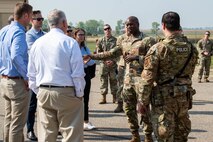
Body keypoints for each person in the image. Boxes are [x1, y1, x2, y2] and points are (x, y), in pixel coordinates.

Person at [85, 16, 154, 142]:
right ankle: (135, 135)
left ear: (137, 24)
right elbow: (111, 53)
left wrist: (137, 58)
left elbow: (154, 61)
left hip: (142, 81)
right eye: (127, 25)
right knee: (128, 109)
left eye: (131, 24)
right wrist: (93, 56)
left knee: (144, 109)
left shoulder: (148, 40)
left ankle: (148, 136)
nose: (128, 27)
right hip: (128, 82)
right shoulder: (124, 41)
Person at [137, 11, 198, 142]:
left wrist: (142, 102)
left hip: (163, 101)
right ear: (178, 25)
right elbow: (189, 74)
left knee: (164, 136)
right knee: (181, 136)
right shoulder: (192, 48)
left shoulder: (158, 48)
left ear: (163, 25)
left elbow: (147, 79)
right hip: (183, 98)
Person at [27, 9, 85, 142]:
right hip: (66, 92)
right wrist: (79, 94)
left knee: (46, 135)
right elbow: (77, 73)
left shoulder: (37, 43)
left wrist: (38, 91)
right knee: (71, 135)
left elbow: (31, 74)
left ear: (49, 24)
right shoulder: (70, 42)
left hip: (43, 91)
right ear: (64, 23)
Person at [0, 2, 32, 142]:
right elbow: (16, 56)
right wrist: (26, 77)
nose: (31, 19)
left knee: (9, 119)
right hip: (16, 82)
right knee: (17, 124)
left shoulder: (4, 30)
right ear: (25, 15)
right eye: (30, 16)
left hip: (5, 80)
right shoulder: (19, 31)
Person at [26, 10, 45, 141]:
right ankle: (30, 130)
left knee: (45, 104)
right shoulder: (29, 35)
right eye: (38, 19)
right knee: (32, 105)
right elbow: (34, 52)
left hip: (45, 75)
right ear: (32, 20)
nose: (40, 21)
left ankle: (46, 129)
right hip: (35, 75)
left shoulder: (45, 34)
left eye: (41, 19)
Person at [73, 28, 96, 130]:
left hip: (84, 73)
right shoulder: (72, 46)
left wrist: (88, 59)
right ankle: (74, 121)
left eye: (83, 35)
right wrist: (82, 60)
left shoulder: (85, 48)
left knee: (85, 98)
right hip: (74, 75)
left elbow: (92, 62)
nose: (81, 37)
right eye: (79, 35)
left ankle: (86, 121)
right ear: (75, 35)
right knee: (74, 99)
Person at [96, 24, 118, 104]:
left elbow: (118, 53)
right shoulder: (101, 40)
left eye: (108, 28)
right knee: (103, 81)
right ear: (104, 31)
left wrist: (113, 61)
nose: (107, 30)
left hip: (113, 65)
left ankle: (114, 98)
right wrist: (104, 61)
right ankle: (103, 98)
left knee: (114, 81)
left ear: (111, 29)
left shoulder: (116, 40)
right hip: (103, 64)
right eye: (105, 29)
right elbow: (99, 52)